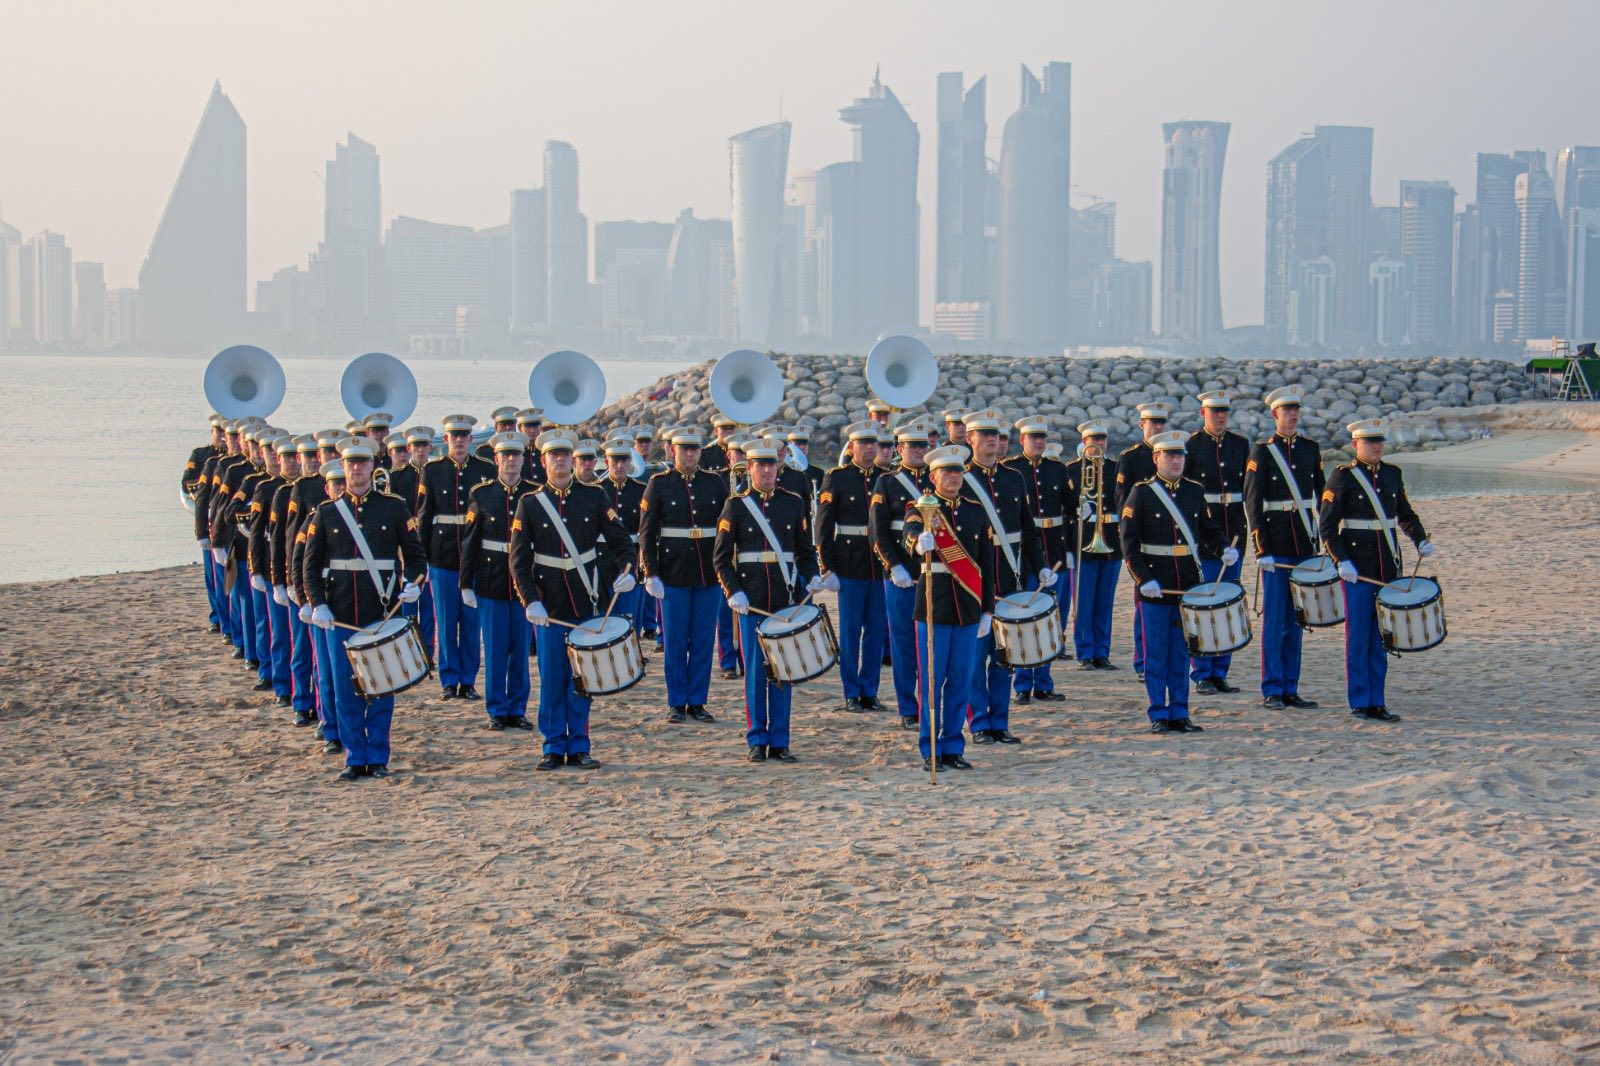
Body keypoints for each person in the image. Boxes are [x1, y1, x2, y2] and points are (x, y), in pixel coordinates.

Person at [302, 436, 428, 781]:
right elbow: (310, 568)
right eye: (350, 464)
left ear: (373, 466)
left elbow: (416, 558)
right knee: (346, 691)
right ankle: (355, 757)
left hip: (381, 611)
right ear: (342, 468)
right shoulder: (326, 513)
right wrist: (318, 605)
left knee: (382, 688)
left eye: (362, 462)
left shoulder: (394, 508)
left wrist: (415, 585)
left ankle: (378, 757)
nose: (356, 469)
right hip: (340, 613)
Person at [509, 432, 635, 770]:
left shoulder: (594, 496)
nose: (561, 460)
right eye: (555, 455)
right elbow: (518, 560)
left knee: (582, 679)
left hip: (585, 600)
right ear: (544, 460)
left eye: (566, 454)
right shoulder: (531, 503)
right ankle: (552, 745)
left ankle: (579, 744)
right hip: (549, 605)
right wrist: (529, 600)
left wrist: (627, 571)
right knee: (551, 678)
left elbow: (622, 543)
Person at [713, 438, 824, 762]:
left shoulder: (793, 503)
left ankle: (780, 740)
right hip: (752, 602)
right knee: (755, 674)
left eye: (770, 464)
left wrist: (813, 575)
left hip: (785, 601)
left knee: (783, 672)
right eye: (759, 465)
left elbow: (804, 551)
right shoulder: (735, 506)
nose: (765, 470)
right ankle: (756, 738)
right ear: (749, 469)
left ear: (778, 467)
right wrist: (733, 592)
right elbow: (721, 559)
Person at [1121, 431, 1236, 734]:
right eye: (1169, 455)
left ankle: (1180, 712)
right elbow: (1129, 543)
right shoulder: (1142, 493)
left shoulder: (1194, 491)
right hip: (1155, 586)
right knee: (1156, 653)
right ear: (1156, 458)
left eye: (1180, 455)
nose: (1175, 460)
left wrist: (1224, 547)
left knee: (1183, 652)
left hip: (1186, 583)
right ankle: (1159, 712)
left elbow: (1207, 529)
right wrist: (1143, 579)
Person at [1318, 418, 1433, 723]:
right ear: (1355, 445)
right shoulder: (1342, 477)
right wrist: (1340, 561)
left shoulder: (1393, 474)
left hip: (1387, 566)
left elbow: (1405, 515)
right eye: (1370, 442)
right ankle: (1359, 700)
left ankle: (1377, 700)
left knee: (1381, 637)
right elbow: (1327, 527)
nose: (1377, 446)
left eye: (1379, 441)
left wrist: (1419, 538)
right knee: (1358, 637)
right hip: (1357, 569)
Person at [902, 444, 994, 771]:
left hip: (968, 607)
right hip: (934, 605)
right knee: (931, 680)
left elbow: (986, 563)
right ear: (933, 476)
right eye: (947, 472)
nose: (954, 477)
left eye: (958, 471)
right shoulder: (923, 507)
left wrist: (987, 609)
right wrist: (917, 542)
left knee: (961, 679)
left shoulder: (974, 510)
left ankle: (953, 745)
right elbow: (908, 530)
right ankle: (930, 749)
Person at [961, 409, 1050, 744]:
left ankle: (999, 722)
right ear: (970, 439)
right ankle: (979, 723)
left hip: (1010, 580)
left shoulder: (1014, 478)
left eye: (996, 437)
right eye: (985, 436)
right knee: (974, 662)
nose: (992, 442)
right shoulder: (960, 478)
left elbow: (1027, 528)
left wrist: (1039, 563)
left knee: (1005, 658)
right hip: (975, 583)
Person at [1244, 387, 1326, 711]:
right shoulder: (1262, 452)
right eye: (1286, 410)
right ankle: (1272, 687)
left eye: (1295, 409)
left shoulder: (1310, 449)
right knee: (1275, 620)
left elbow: (1322, 497)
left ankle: (1291, 686)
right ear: (1274, 414)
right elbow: (1252, 503)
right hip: (1276, 547)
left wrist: (1327, 540)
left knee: (1297, 621)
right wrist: (1260, 548)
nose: (1292, 414)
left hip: (1304, 544)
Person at [639, 427, 728, 724]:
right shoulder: (659, 484)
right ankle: (677, 701)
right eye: (683, 449)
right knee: (676, 641)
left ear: (701, 451)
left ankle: (698, 701)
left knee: (703, 641)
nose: (689, 454)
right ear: (672, 451)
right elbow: (647, 534)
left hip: (708, 574)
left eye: (694, 449)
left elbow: (727, 531)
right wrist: (650, 572)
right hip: (672, 573)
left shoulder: (714, 483)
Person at [459, 432, 540, 732]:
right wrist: (465, 583)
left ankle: (517, 708)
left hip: (524, 583)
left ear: (522, 459)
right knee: (494, 649)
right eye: (505, 455)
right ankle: (496, 708)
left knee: (519, 649)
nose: (510, 460)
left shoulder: (533, 492)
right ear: (496, 459)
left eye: (515, 455)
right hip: (491, 581)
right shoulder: (481, 494)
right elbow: (470, 542)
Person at [418, 413, 496, 700]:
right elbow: (425, 516)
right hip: (443, 556)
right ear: (447, 439)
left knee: (471, 621)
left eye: (464, 436)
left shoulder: (485, 470)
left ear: (471, 439)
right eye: (454, 436)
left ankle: (469, 679)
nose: (460, 441)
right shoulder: (433, 470)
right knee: (447, 620)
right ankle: (449, 680)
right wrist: (422, 558)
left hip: (475, 556)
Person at [818, 420, 889, 713]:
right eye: (864, 443)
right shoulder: (837, 478)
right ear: (852, 447)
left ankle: (869, 690)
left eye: (874, 443)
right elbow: (823, 525)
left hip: (879, 563)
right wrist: (827, 566)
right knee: (849, 630)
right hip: (849, 563)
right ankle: (851, 690)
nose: (870, 448)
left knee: (875, 630)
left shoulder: (886, 478)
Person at [870, 417, 935, 730]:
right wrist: (892, 565)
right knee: (904, 643)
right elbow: (878, 531)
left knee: (933, 645)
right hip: (903, 575)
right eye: (913, 446)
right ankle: (908, 707)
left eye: (924, 445)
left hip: (935, 573)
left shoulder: (938, 480)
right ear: (900, 448)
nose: (920, 450)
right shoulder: (887, 482)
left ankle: (931, 704)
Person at [1184, 391, 1251, 695]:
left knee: (1228, 604)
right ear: (1203, 413)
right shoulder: (1190, 447)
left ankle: (1221, 671)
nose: (1221, 416)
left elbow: (1247, 491)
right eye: (1215, 412)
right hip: (1204, 536)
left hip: (1234, 529)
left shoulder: (1240, 445)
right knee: (1204, 603)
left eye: (1224, 411)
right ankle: (1201, 672)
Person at [1003, 417, 1073, 704]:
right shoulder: (1013, 470)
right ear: (1022, 441)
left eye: (1042, 438)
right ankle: (1022, 684)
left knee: (1049, 619)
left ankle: (1044, 682)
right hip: (1023, 556)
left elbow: (1070, 510)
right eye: (1033, 438)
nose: (1039, 443)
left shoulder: (1057, 469)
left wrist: (1069, 546)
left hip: (1053, 551)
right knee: (1023, 617)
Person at [1115, 402, 1171, 681]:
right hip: (1143, 541)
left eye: (1161, 422)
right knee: (1143, 603)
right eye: (1152, 422)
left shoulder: (1173, 455)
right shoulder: (1131, 458)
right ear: (1141, 425)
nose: (1158, 427)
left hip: (1168, 539)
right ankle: (1143, 661)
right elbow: (1122, 501)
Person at [295, 459, 347, 754]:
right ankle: (331, 729)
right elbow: (301, 562)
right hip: (324, 602)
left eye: (344, 482)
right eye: (335, 483)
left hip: (354, 601)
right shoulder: (316, 517)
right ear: (326, 487)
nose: (340, 487)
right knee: (326, 672)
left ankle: (349, 727)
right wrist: (306, 601)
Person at [1063, 422, 1121, 670]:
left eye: (1102, 439)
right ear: (1084, 441)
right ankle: (1086, 652)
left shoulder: (1116, 469)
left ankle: (1102, 652)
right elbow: (1065, 512)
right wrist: (1067, 547)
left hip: (1111, 541)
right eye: (1093, 439)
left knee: (1105, 601)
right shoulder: (1072, 470)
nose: (1098, 444)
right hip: (1084, 540)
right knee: (1084, 601)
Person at [273, 435, 322, 728]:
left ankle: (321, 705)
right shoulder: (297, 491)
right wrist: (286, 581)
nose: (318, 459)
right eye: (314, 455)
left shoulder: (337, 490)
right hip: (303, 580)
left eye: (324, 453)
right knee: (301, 646)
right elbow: (286, 540)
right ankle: (302, 702)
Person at [599, 437, 649, 638]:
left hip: (631, 558)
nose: (619, 465)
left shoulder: (640, 490)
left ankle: (633, 659)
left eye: (623, 460)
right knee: (604, 616)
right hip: (602, 559)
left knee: (630, 617)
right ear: (606, 462)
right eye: (614, 460)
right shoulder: (596, 490)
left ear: (630, 461)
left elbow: (646, 528)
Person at [184, 414, 225, 632]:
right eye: (218, 431)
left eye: (225, 431)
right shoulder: (201, 456)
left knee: (229, 577)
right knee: (213, 576)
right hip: (210, 518)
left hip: (228, 523)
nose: (222, 435)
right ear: (212, 432)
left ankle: (227, 617)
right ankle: (216, 615)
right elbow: (187, 483)